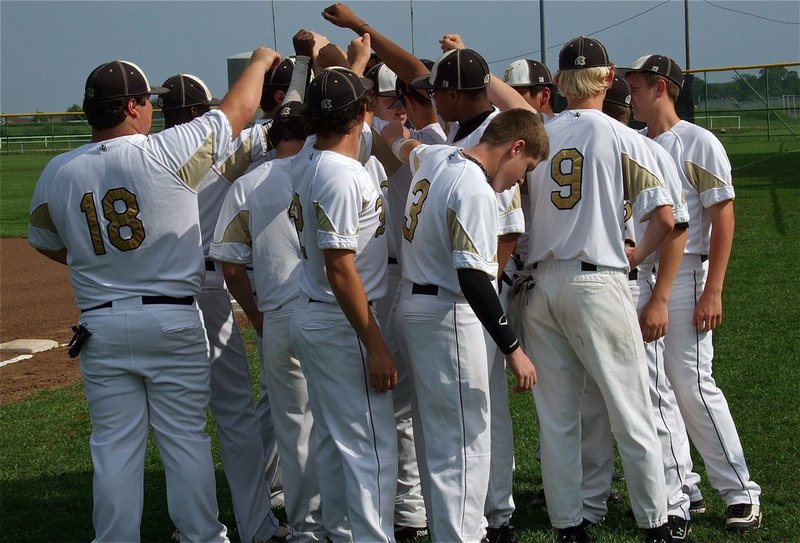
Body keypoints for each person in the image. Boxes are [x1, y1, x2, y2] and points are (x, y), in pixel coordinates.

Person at [27, 50, 279, 543]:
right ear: (132, 107)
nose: (150, 109)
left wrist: (100, 264)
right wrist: (262, 60)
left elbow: (46, 240)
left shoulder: (58, 170)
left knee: (114, 447)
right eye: (146, 101)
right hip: (171, 319)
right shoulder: (163, 150)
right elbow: (240, 110)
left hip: (99, 325)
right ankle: (202, 536)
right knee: (184, 440)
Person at [519, 36, 675, 543]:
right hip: (598, 280)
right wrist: (636, 254)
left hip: (541, 284)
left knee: (559, 418)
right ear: (609, 79)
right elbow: (667, 220)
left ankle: (569, 524)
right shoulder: (625, 137)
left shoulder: (539, 137)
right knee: (631, 410)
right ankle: (654, 521)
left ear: (560, 83)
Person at [391, 108, 544, 543]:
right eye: (525, 167)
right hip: (447, 315)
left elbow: (403, 145)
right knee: (465, 446)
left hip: (414, 304)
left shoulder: (438, 158)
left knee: (436, 442)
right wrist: (513, 348)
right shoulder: (475, 188)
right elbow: (474, 278)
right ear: (515, 146)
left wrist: (391, 133)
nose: (519, 180)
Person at [625, 54, 762, 532]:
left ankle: (740, 489)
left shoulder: (698, 143)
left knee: (693, 385)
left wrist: (715, 289)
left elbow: (722, 214)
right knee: (654, 389)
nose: (630, 90)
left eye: (637, 84)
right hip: (642, 274)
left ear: (660, 87)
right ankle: (683, 488)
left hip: (688, 273)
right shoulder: (637, 142)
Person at [159, 73, 286, 543]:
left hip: (163, 292)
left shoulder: (148, 157)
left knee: (177, 423)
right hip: (209, 289)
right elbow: (281, 121)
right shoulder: (219, 157)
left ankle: (191, 526)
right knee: (234, 416)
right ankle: (256, 527)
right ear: (199, 115)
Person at [578, 74, 694, 541]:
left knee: (650, 396)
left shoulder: (644, 152)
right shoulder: (596, 151)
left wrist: (660, 297)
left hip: (632, 286)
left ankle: (677, 497)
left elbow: (676, 226)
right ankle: (592, 498)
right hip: (601, 287)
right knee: (593, 399)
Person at [288, 66, 398, 543]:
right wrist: (374, 343)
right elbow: (340, 268)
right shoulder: (339, 173)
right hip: (343, 320)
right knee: (372, 448)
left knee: (336, 442)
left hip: (317, 313)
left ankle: (342, 534)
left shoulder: (308, 159)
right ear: (365, 112)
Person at [210, 101, 326, 543]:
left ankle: (306, 530)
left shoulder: (248, 183)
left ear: (273, 137)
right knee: (343, 423)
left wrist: (255, 314)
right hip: (330, 312)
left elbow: (231, 266)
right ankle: (349, 523)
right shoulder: (330, 171)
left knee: (293, 429)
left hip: (277, 314)